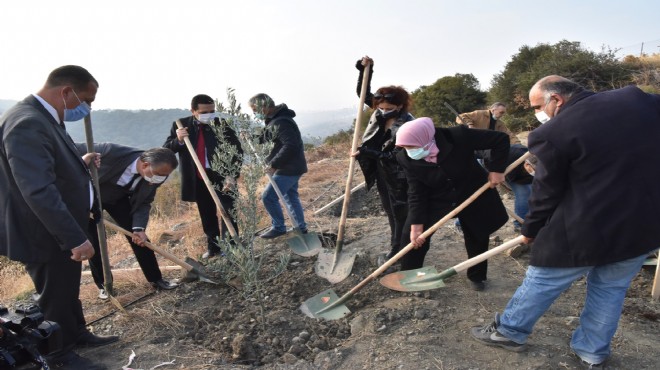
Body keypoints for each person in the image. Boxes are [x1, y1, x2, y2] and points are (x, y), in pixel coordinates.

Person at [470, 76, 660, 369]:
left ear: (555, 99)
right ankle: (592, 352)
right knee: (610, 289)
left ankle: (509, 331)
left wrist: (531, 229)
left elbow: (546, 192)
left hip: (588, 225)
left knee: (543, 276)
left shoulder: (554, 132)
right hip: (643, 224)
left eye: (537, 106)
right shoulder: (636, 99)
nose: (538, 113)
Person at [0, 65, 114, 369]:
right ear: (66, 92)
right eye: (85, 100)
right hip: (43, 231)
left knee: (67, 287)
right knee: (55, 294)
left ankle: (76, 333)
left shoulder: (43, 118)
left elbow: (50, 157)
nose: (86, 109)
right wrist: (74, 237)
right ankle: (58, 354)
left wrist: (80, 159)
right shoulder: (27, 122)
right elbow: (37, 189)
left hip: (59, 227)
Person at [396, 117, 510, 291]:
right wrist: (417, 225)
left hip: (471, 191)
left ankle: (477, 277)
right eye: (404, 147)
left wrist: (497, 169)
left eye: (410, 146)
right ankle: (412, 278)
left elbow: (500, 140)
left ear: (425, 137)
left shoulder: (458, 136)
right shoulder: (405, 157)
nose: (408, 150)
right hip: (437, 196)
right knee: (412, 237)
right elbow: (416, 191)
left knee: (477, 234)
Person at [78, 143, 180, 299]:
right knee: (96, 242)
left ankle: (156, 279)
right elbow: (69, 149)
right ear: (145, 164)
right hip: (89, 198)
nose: (160, 179)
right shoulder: (109, 151)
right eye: (159, 174)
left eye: (164, 176)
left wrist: (139, 228)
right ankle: (104, 286)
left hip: (118, 199)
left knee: (139, 238)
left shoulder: (157, 174)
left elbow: (144, 202)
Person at [164, 94, 243, 258]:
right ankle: (214, 248)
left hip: (222, 175)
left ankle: (231, 247)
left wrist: (232, 175)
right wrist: (178, 140)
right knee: (207, 213)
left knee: (228, 210)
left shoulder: (221, 125)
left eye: (212, 111)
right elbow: (167, 150)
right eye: (204, 111)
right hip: (198, 177)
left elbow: (237, 151)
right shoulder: (181, 125)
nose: (209, 114)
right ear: (193, 111)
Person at [353, 56, 415, 261]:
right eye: (381, 108)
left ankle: (399, 250)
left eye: (389, 109)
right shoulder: (379, 111)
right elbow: (362, 95)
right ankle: (397, 246)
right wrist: (365, 71)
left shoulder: (408, 124)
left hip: (400, 175)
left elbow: (397, 157)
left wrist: (367, 152)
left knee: (400, 212)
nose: (384, 111)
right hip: (381, 171)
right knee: (390, 211)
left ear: (400, 106)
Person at [248, 93, 308, 238]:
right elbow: (267, 136)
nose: (255, 113)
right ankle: (301, 228)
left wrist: (274, 164)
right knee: (290, 196)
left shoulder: (280, 122)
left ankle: (279, 227)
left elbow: (290, 145)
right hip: (292, 166)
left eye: (255, 110)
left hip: (288, 167)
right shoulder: (275, 120)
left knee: (268, 197)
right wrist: (250, 137)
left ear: (265, 107)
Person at [456, 102, 521, 144]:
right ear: (493, 110)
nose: (502, 115)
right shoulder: (479, 113)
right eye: (501, 112)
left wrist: (518, 144)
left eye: (503, 113)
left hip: (486, 146)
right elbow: (460, 117)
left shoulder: (499, 123)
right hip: (473, 144)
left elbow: (509, 134)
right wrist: (470, 124)